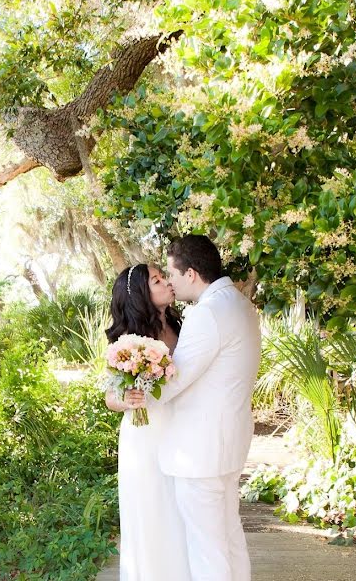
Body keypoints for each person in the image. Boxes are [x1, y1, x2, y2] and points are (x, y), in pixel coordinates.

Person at [127, 235, 261, 581]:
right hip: (227, 444)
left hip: (200, 453)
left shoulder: (208, 314)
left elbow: (173, 382)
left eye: (170, 273)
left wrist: (137, 392)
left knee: (208, 552)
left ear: (190, 273)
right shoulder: (241, 304)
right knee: (230, 540)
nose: (169, 281)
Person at [105, 263, 191, 581]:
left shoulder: (181, 327)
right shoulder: (128, 341)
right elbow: (110, 396)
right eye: (157, 279)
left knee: (182, 510)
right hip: (145, 435)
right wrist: (125, 400)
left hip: (182, 428)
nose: (167, 282)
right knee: (153, 511)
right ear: (141, 293)